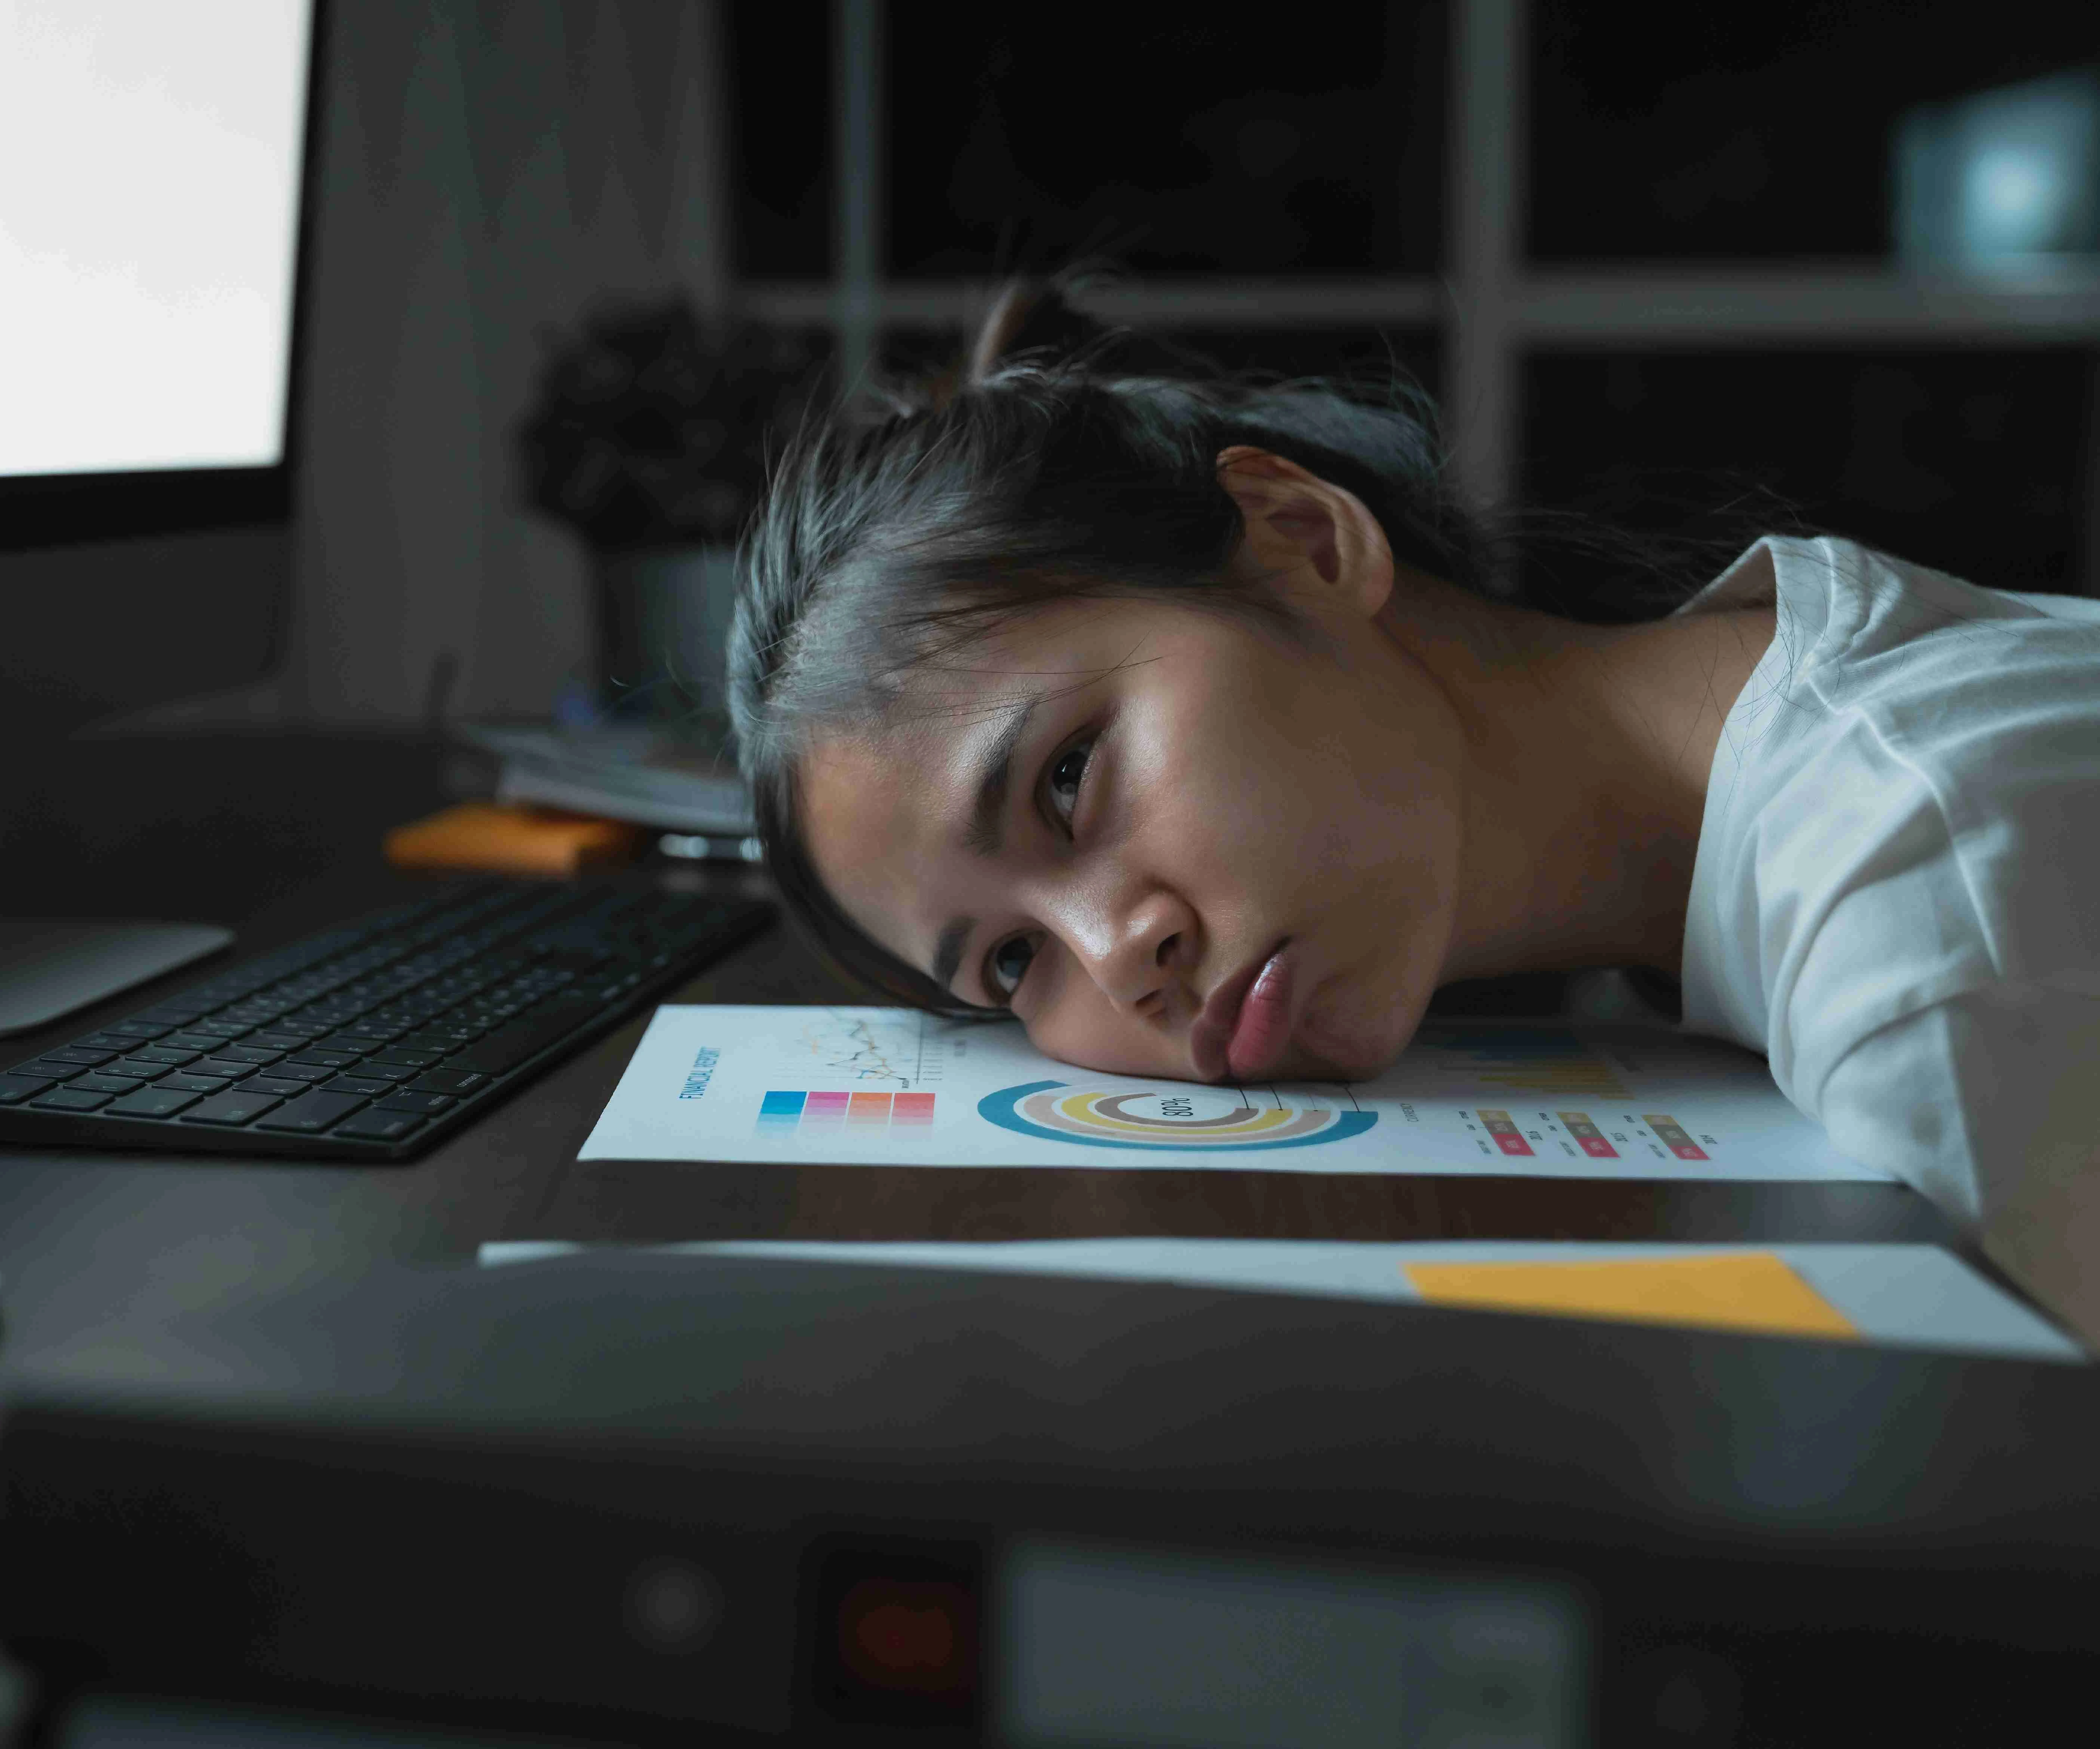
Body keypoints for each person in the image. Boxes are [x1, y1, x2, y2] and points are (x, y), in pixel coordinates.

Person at [725, 273, 2100, 1342]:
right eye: (1010, 962)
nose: (1114, 953)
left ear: (1306, 541)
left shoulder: (1921, 920)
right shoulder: (1747, 753)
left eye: (1070, 778)